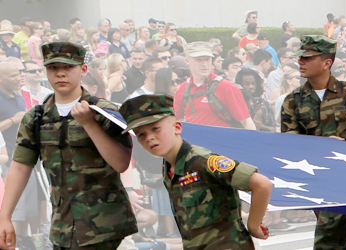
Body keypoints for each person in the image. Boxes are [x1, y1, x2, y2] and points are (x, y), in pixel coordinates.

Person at [0, 42, 138, 250]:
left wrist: (89, 124)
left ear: (83, 70)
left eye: (68, 67)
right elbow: (20, 166)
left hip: (105, 227)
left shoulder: (103, 111)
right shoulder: (37, 117)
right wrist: (5, 217)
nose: (60, 74)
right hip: (63, 227)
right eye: (53, 68)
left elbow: (121, 163)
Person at [118, 94, 275, 248]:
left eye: (155, 129)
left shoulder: (202, 161)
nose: (149, 138)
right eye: (141, 134)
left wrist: (253, 226)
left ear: (177, 127)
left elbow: (262, 184)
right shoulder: (170, 168)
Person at [279, 35, 346, 250]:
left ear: (327, 63)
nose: (300, 62)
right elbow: (289, 143)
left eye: (307, 58)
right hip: (317, 179)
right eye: (300, 57)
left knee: (328, 239)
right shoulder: (293, 100)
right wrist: (322, 145)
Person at [172, 42, 256, 130]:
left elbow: (246, 122)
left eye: (207, 59)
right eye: (199, 60)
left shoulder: (226, 87)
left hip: (221, 141)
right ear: (187, 61)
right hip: (192, 142)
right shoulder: (182, 90)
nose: (204, 64)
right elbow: (177, 121)